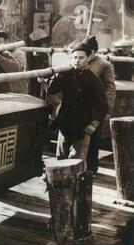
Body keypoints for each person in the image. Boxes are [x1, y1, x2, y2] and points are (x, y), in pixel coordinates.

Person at [47, 42, 108, 167]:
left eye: (81, 58)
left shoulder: (94, 80)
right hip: (65, 123)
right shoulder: (66, 75)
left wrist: (93, 125)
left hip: (83, 126)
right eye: (75, 58)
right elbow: (51, 90)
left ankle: (78, 185)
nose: (77, 61)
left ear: (88, 58)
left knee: (77, 162)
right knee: (60, 159)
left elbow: (103, 105)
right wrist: (54, 77)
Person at [84, 36, 116, 174]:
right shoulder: (78, 61)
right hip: (80, 108)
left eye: (86, 51)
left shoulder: (104, 65)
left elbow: (110, 89)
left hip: (95, 109)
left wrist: (107, 111)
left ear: (93, 51)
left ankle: (92, 169)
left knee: (93, 140)